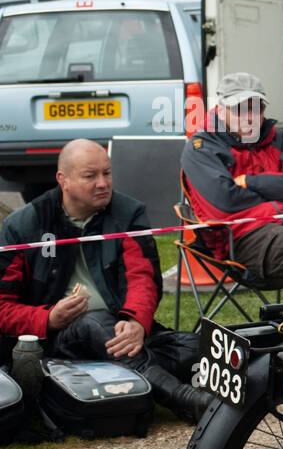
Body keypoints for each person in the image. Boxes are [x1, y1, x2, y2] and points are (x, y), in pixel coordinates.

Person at [0, 140, 209, 421]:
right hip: (52, 341)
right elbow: (2, 307)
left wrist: (136, 321)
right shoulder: (23, 225)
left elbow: (143, 278)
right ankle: (183, 399)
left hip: (119, 332)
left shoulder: (128, 213)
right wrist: (48, 318)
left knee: (195, 348)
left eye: (107, 173)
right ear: (64, 180)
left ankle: (118, 372)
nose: (102, 183)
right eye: (90, 176)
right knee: (94, 322)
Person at [181, 72, 283, 301]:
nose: (250, 117)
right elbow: (226, 203)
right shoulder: (201, 147)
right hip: (244, 237)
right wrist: (282, 200)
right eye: (240, 109)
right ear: (220, 109)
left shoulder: (280, 139)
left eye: (257, 109)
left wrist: (251, 182)